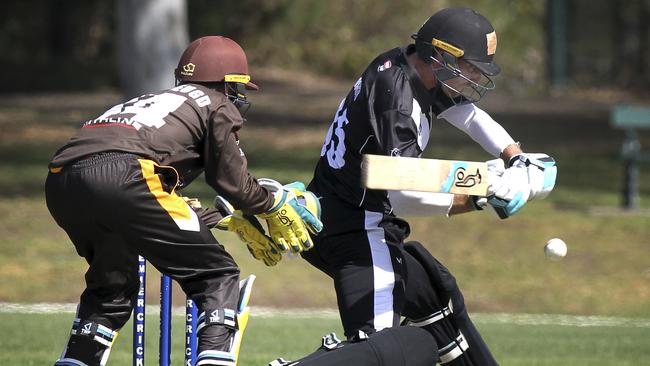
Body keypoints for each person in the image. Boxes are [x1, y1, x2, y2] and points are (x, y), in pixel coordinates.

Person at [285, 7, 557, 365]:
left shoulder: (409, 65)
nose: (475, 77)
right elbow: (401, 193)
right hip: (358, 227)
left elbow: (467, 115)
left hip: (348, 212)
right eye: (471, 67)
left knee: (435, 298)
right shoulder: (397, 101)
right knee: (382, 352)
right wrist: (480, 196)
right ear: (440, 55)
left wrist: (515, 157)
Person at [46, 35, 321, 366]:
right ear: (226, 82)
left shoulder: (153, 100)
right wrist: (271, 204)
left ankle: (76, 360)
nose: (240, 98)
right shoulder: (215, 103)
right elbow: (230, 182)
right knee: (217, 275)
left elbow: (148, 202)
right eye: (239, 88)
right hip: (128, 176)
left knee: (111, 291)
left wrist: (219, 219)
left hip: (63, 179)